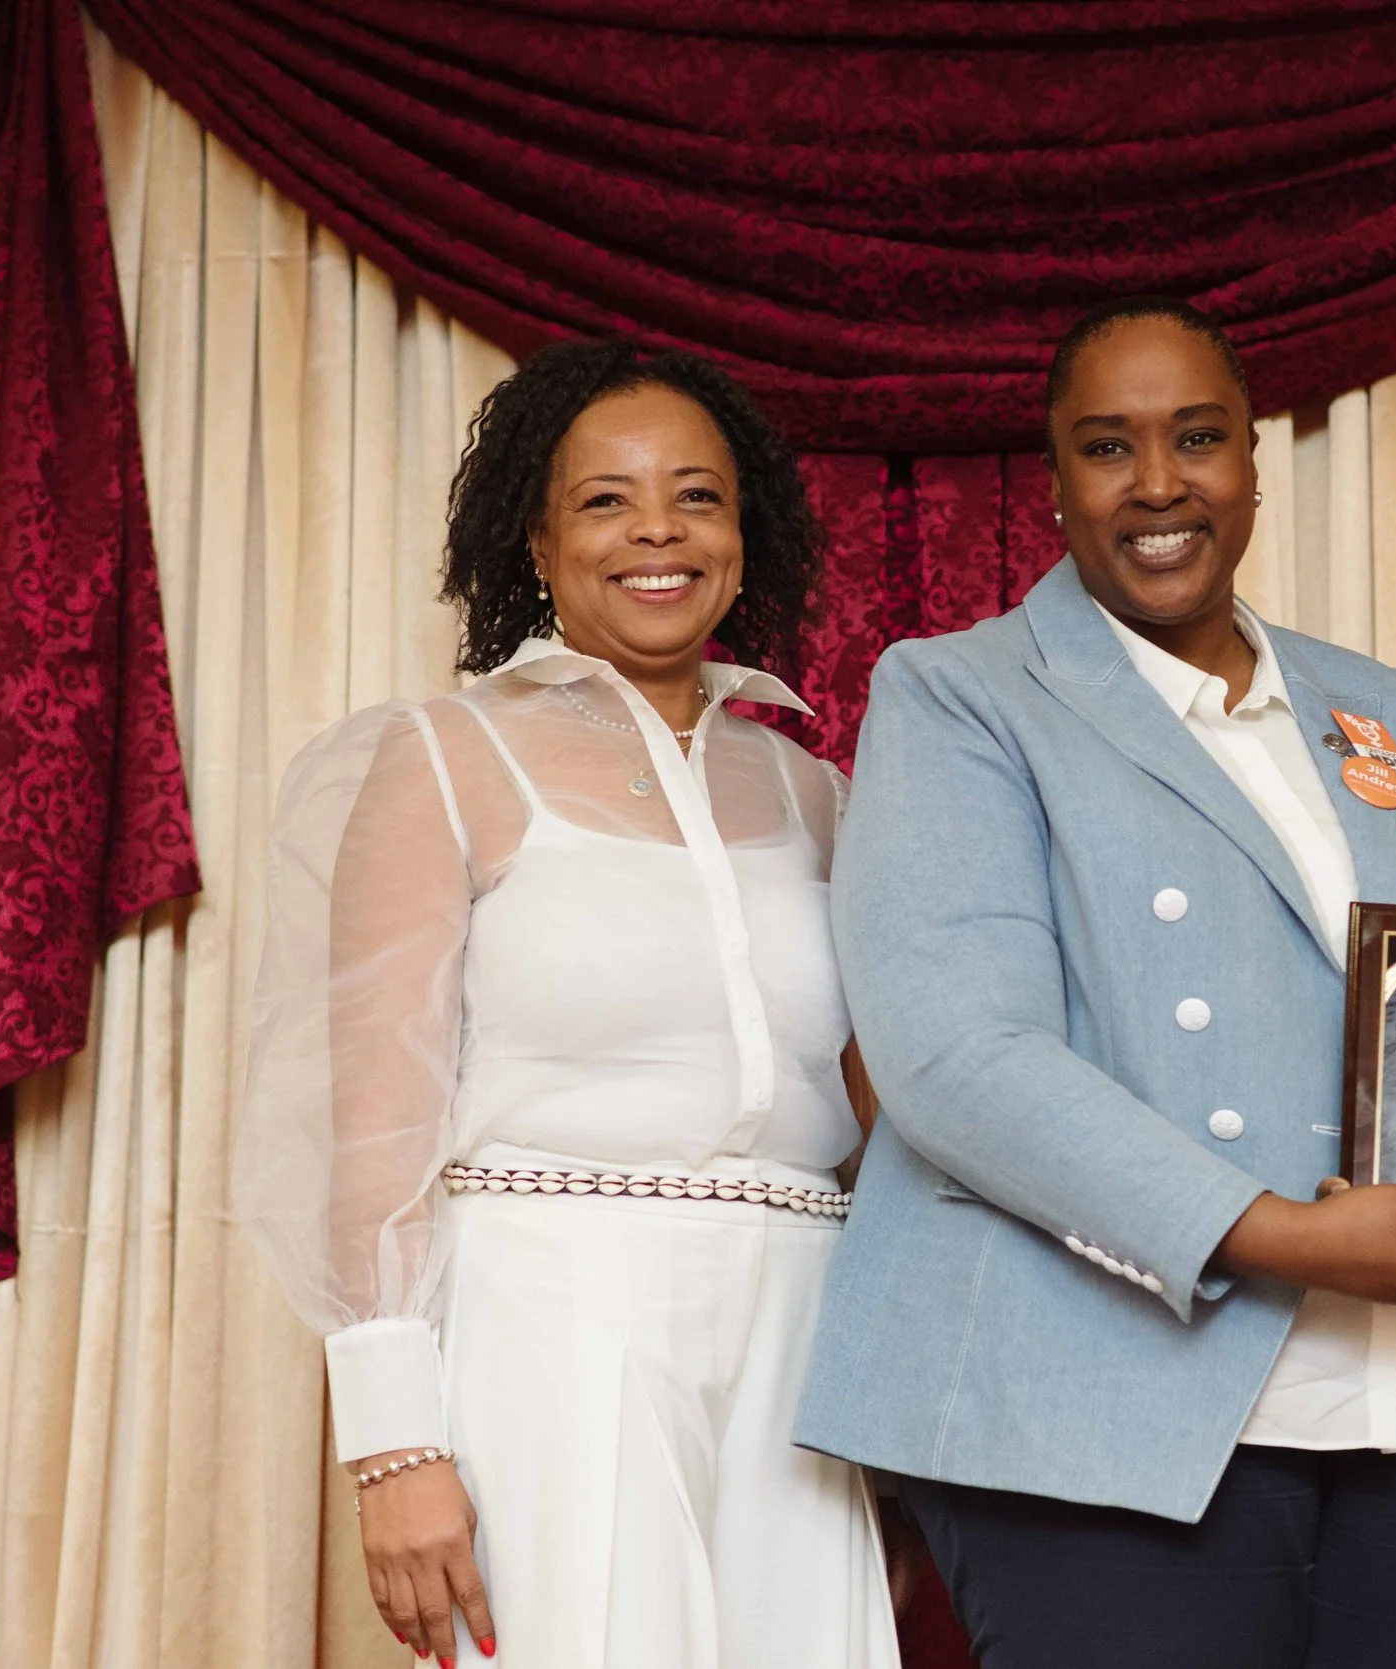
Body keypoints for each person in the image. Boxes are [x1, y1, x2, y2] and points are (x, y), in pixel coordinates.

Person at [794, 296, 1396, 1669]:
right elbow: (956, 1062)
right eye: (1108, 446)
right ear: (1055, 483)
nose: (1159, 484)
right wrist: (1274, 1233)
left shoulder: (1376, 706)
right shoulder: (962, 696)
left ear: (1256, 460)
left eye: (1197, 437)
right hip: (1103, 1404)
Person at [236, 340, 903, 1669]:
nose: (656, 529)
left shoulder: (815, 792)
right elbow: (369, 1121)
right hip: (553, 1315)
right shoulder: (442, 757)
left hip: (803, 1334)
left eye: (698, 496)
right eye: (605, 499)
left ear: (744, 532)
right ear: (535, 540)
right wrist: (393, 1444)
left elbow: (885, 1106)